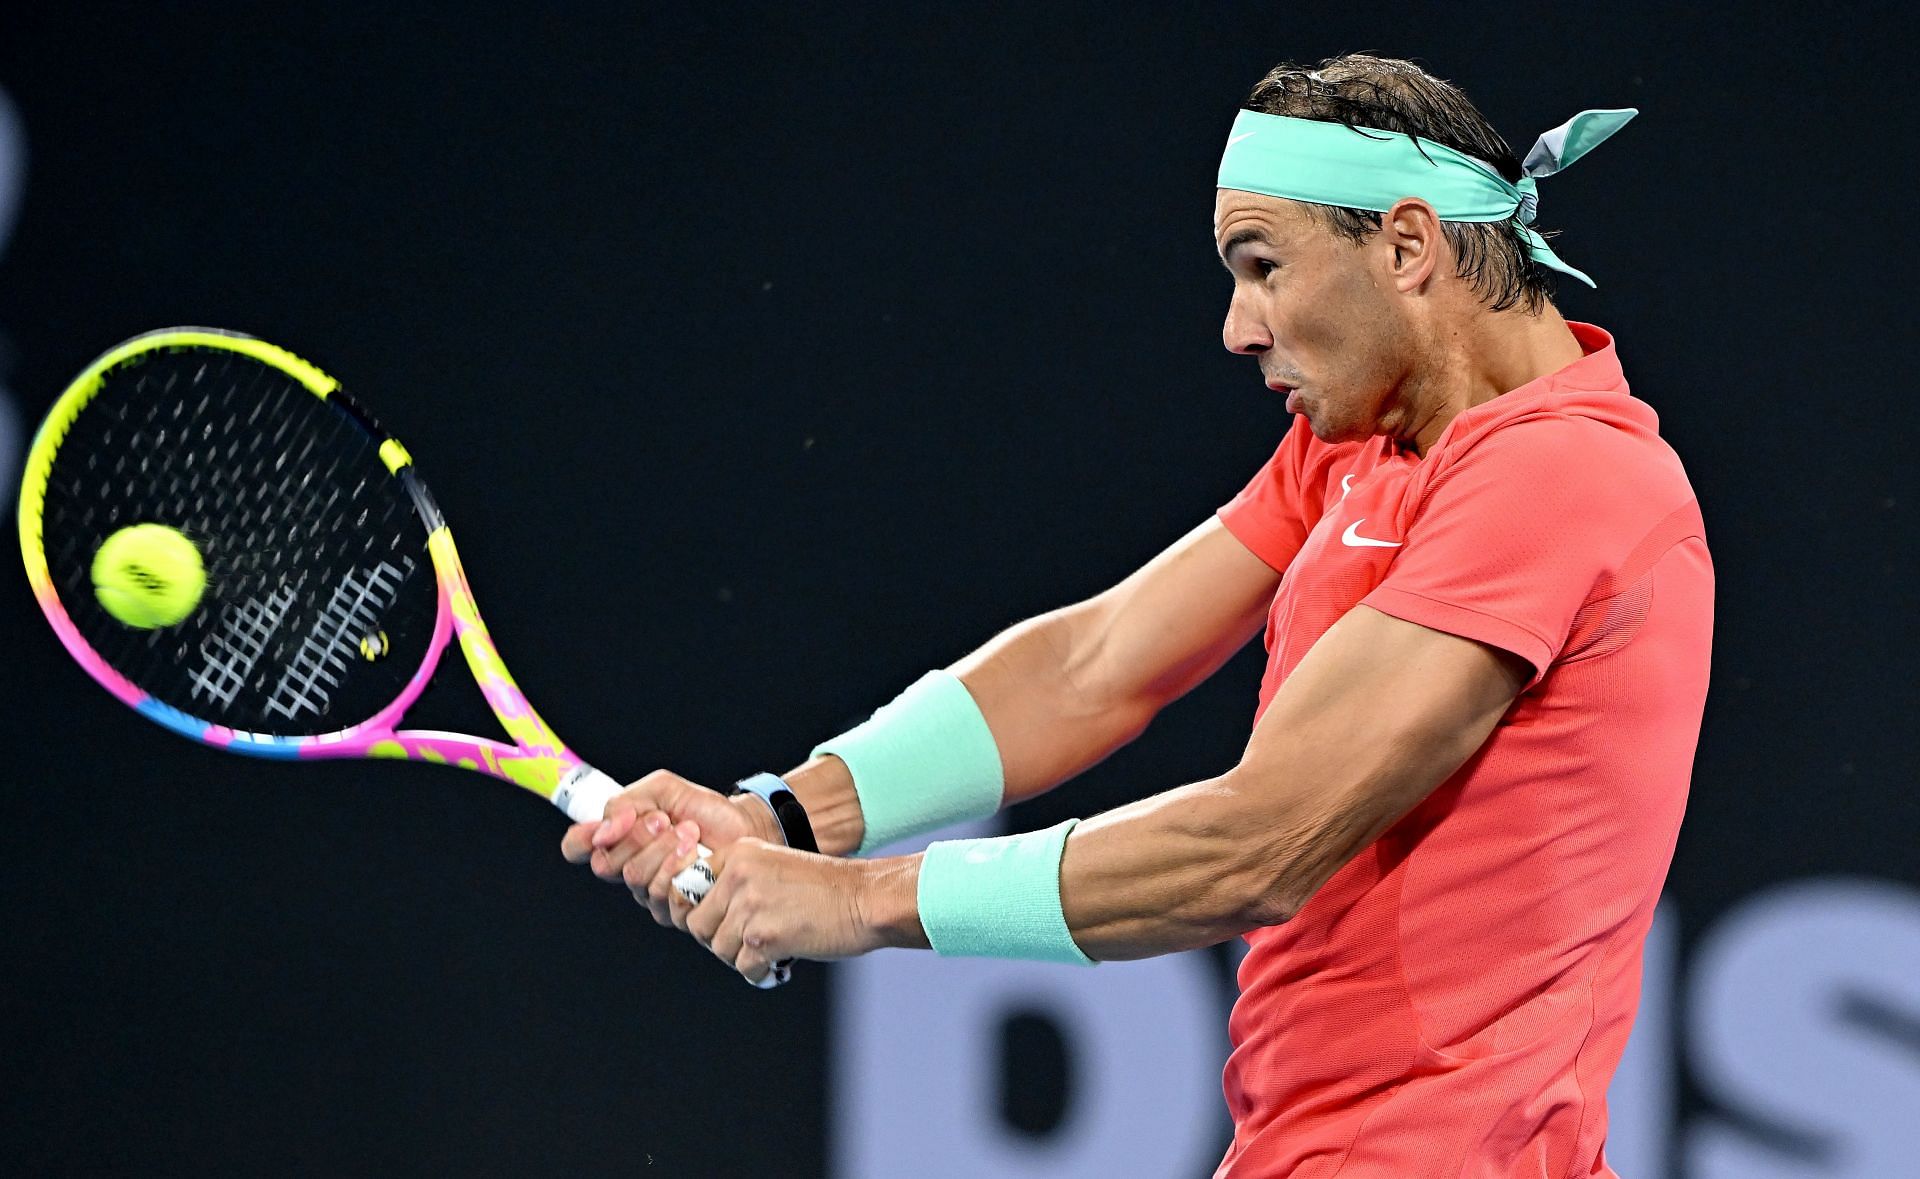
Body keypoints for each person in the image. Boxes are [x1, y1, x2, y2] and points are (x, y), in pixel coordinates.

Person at [563, 54, 1712, 1177]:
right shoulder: (1364, 445)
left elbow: (1257, 846)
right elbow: (1098, 665)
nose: (1237, 327)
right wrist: (788, 821)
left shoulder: (1560, 477)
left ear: (1406, 246)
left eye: (1262, 266)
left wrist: (860, 902)